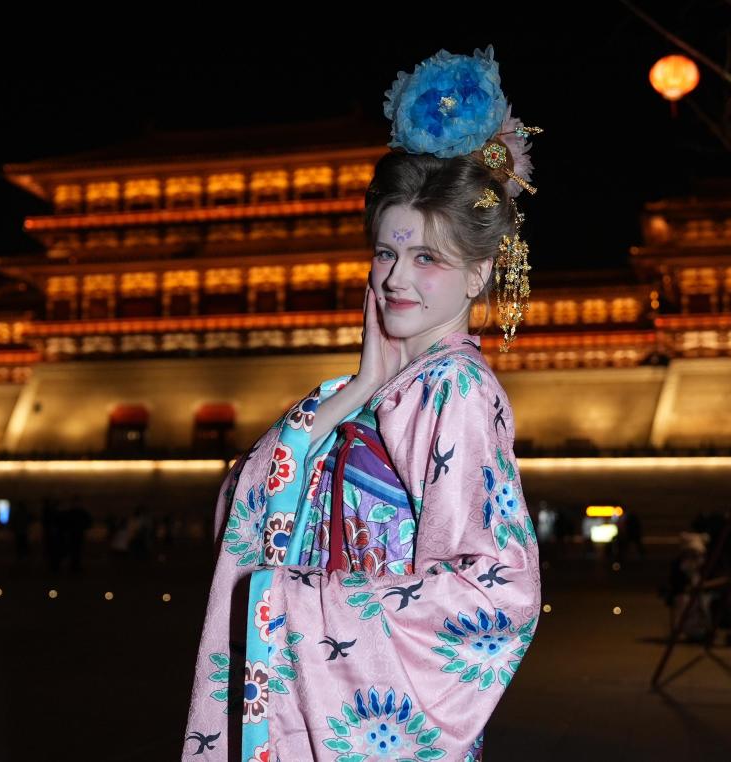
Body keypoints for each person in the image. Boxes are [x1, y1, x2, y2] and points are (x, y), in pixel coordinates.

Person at [183, 45, 542, 761]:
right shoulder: (382, 390)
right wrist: (354, 391)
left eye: (427, 258)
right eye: (386, 253)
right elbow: (239, 510)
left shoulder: (455, 388)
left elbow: (496, 591)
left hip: (372, 723)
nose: (395, 279)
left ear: (478, 273)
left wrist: (300, 605)